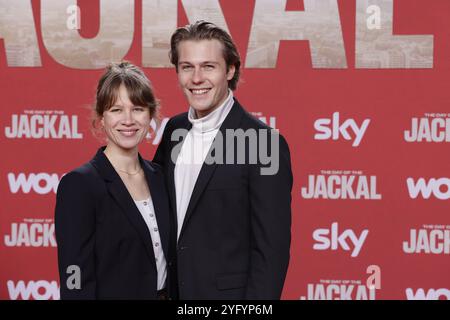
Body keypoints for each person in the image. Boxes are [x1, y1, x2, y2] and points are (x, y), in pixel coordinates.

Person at [154, 21, 293, 299]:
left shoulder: (263, 143)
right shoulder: (174, 131)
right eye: (187, 67)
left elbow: (271, 252)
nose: (196, 78)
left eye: (208, 66)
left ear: (230, 70)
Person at [55, 62, 171, 299]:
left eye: (137, 109)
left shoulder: (161, 178)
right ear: (101, 117)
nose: (128, 120)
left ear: (150, 114)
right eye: (116, 110)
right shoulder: (80, 185)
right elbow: (74, 273)